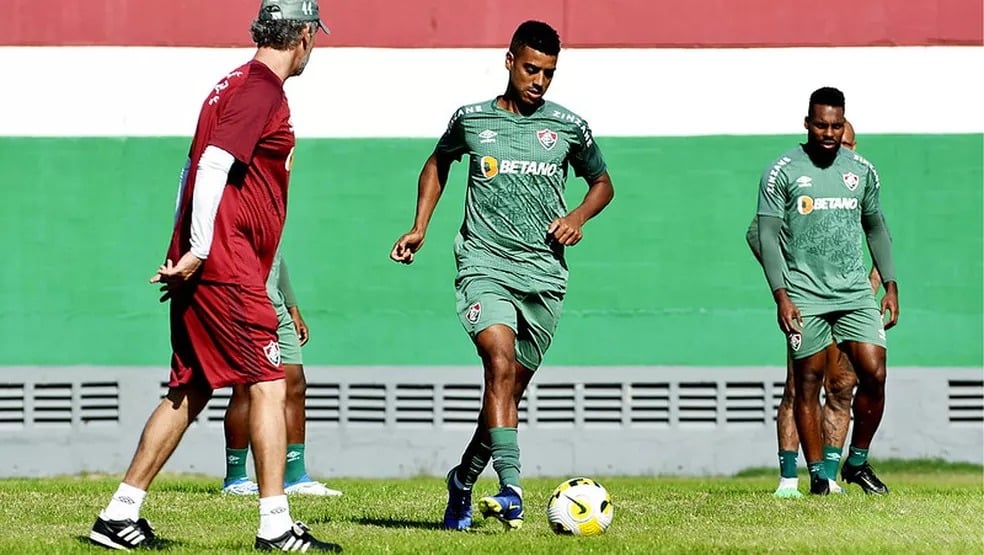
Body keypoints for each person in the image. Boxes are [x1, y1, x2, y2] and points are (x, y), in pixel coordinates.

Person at [89, 1, 341, 551]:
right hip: (227, 266)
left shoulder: (230, 85)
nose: (314, 48)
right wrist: (200, 249)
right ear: (302, 35)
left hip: (208, 262)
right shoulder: (260, 89)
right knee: (269, 383)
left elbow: (190, 167)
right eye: (314, 37)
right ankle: (276, 525)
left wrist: (183, 248)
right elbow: (210, 165)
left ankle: (118, 515)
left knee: (191, 387)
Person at [390, 20, 614, 530]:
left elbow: (603, 183)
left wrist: (577, 217)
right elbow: (437, 163)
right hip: (483, 264)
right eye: (531, 69)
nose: (539, 81)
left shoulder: (568, 126)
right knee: (498, 360)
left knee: (506, 393)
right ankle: (512, 488)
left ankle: (462, 481)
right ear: (510, 61)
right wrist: (420, 226)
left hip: (543, 276)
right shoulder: (471, 119)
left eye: (549, 73)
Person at [756, 87, 899, 496]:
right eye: (821, 125)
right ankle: (818, 477)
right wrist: (781, 294)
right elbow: (765, 234)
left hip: (854, 293)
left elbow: (876, 226)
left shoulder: (862, 170)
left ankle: (856, 461)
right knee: (807, 384)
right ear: (807, 123)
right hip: (805, 295)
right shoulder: (782, 171)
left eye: (836, 126)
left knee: (874, 373)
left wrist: (890, 284)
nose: (829, 133)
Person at [221, 250, 343, 497]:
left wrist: (292, 307)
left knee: (295, 385)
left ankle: (295, 477)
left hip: (276, 308)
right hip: (242, 304)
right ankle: (235, 479)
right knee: (245, 387)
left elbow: (276, 257)